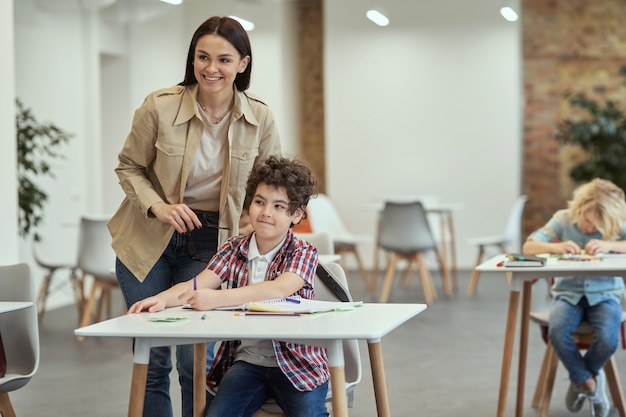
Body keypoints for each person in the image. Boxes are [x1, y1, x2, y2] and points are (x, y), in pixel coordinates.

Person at [107, 16, 282, 417]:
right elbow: (128, 167)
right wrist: (160, 206)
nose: (211, 68)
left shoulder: (260, 117)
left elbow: (270, 184)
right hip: (145, 236)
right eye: (202, 57)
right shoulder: (160, 105)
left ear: (243, 64)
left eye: (224, 59)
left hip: (211, 241)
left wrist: (252, 225)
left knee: (193, 358)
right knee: (151, 357)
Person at [128, 155, 329, 417]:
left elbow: (278, 289)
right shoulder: (234, 248)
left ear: (296, 214)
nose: (266, 212)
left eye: (279, 206)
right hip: (247, 364)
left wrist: (217, 299)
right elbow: (196, 283)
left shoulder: (303, 251)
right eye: (259, 202)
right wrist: (162, 299)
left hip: (298, 364)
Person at [522, 178, 626, 417]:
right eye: (587, 220)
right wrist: (555, 248)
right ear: (579, 208)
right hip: (568, 294)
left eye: (597, 225)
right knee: (557, 332)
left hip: (605, 295)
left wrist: (611, 246)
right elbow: (529, 247)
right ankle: (590, 384)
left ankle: (580, 378)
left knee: (609, 340)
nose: (590, 228)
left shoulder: (616, 223)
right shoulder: (564, 218)